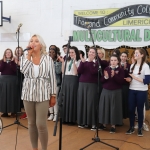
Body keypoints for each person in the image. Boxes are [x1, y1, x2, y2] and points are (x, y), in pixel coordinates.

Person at [20, 34, 56, 150]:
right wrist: (29, 56)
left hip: (43, 93)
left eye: (36, 41)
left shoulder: (48, 59)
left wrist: (53, 95)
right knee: (31, 123)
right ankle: (34, 148)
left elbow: (52, 77)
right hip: (28, 93)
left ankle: (44, 148)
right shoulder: (25, 58)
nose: (33, 43)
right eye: (31, 41)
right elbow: (23, 71)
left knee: (41, 124)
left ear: (41, 45)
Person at [125, 48, 150, 137]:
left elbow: (147, 81)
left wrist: (134, 77)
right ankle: (131, 127)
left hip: (141, 91)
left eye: (137, 53)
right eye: (134, 53)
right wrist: (130, 79)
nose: (135, 54)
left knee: (140, 109)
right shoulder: (132, 66)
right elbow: (132, 78)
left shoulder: (146, 66)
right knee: (131, 109)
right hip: (132, 89)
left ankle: (140, 128)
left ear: (142, 55)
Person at [99, 54, 124, 133]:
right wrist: (106, 77)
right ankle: (104, 124)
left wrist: (114, 76)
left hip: (116, 92)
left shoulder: (120, 70)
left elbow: (121, 81)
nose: (113, 62)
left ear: (118, 61)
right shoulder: (106, 69)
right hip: (106, 91)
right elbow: (102, 80)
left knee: (114, 108)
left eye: (115, 60)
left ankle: (113, 125)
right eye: (112, 60)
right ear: (110, 61)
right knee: (105, 107)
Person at [77, 47, 99, 130]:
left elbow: (93, 72)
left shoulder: (96, 63)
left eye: (93, 52)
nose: (91, 54)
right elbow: (80, 71)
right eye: (90, 52)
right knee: (83, 103)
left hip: (92, 85)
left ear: (95, 55)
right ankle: (83, 122)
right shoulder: (84, 62)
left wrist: (89, 62)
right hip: (82, 84)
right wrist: (83, 63)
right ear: (88, 52)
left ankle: (93, 123)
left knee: (91, 104)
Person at [60, 46, 80, 124]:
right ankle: (65, 118)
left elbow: (75, 73)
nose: (71, 54)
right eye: (70, 52)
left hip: (73, 80)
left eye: (72, 52)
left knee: (71, 99)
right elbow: (63, 71)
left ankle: (71, 119)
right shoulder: (66, 60)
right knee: (65, 99)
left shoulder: (78, 61)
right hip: (66, 80)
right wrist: (62, 62)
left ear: (76, 53)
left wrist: (74, 62)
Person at [0, 48, 19, 117]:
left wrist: (12, 62)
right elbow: (0, 69)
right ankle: (4, 111)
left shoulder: (14, 61)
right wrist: (4, 62)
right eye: (7, 52)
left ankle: (13, 111)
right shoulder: (1, 61)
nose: (8, 54)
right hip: (3, 80)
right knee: (4, 96)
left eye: (9, 52)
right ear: (5, 54)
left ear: (11, 54)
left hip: (12, 80)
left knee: (12, 96)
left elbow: (15, 70)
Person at [48, 45, 62, 122]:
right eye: (50, 52)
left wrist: (56, 63)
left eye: (53, 52)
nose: (51, 53)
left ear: (56, 53)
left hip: (56, 83)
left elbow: (58, 71)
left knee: (54, 98)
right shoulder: (46, 60)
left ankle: (56, 114)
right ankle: (51, 113)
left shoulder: (58, 61)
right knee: (48, 98)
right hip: (48, 82)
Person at [120, 52, 130, 119]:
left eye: (125, 56)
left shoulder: (129, 65)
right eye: (122, 56)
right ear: (120, 57)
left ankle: (123, 116)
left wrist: (125, 70)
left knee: (124, 101)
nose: (123, 58)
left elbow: (129, 76)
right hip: (117, 86)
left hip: (125, 86)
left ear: (127, 58)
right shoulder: (117, 64)